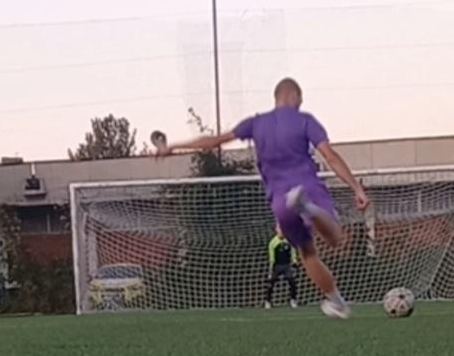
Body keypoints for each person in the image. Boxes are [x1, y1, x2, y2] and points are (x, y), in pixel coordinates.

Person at [154, 77, 369, 318]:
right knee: (335, 238)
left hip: (280, 200)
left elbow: (213, 142)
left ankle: (337, 302)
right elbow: (330, 156)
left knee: (308, 253)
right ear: (295, 96)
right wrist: (356, 189)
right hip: (307, 186)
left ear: (276, 98)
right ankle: (307, 207)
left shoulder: (256, 123)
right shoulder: (305, 120)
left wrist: (172, 147)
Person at [266, 226, 298, 309]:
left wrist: (294, 262)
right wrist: (271, 270)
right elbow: (271, 258)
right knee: (271, 284)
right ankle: (268, 301)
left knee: (292, 283)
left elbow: (293, 252)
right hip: (277, 266)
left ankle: (293, 300)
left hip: (287, 265)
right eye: (280, 230)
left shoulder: (289, 241)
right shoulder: (273, 242)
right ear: (276, 231)